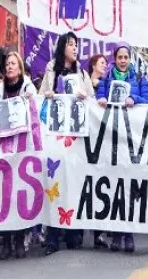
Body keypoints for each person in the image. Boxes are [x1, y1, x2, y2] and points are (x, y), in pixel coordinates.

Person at [41, 32, 95, 255]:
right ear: (62, 46)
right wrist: (49, 94)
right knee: (54, 183)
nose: (74, 48)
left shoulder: (82, 73)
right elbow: (41, 95)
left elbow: (92, 102)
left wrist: (85, 97)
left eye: (76, 45)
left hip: (75, 137)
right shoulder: (51, 69)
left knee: (73, 182)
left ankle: (74, 232)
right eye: (71, 44)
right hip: (55, 135)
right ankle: (53, 235)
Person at [0, 52, 37, 260]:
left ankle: (19, 239)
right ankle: (7, 242)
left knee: (19, 194)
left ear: (19, 67)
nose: (9, 67)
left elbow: (36, 114)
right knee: (5, 195)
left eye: (13, 63)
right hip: (4, 148)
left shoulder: (28, 87)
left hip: (22, 148)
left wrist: (30, 101)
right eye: (7, 64)